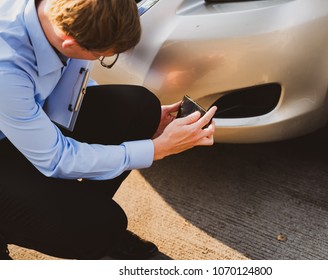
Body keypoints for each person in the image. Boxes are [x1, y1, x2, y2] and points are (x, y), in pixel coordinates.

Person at [0, 0, 216, 260]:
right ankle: (74, 226)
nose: (103, 58)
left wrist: (150, 128)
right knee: (103, 225)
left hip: (19, 126)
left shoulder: (58, 17)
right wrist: (157, 149)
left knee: (140, 109)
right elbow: (56, 159)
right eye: (102, 55)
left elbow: (64, 80)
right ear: (69, 42)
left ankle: (75, 219)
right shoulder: (6, 66)